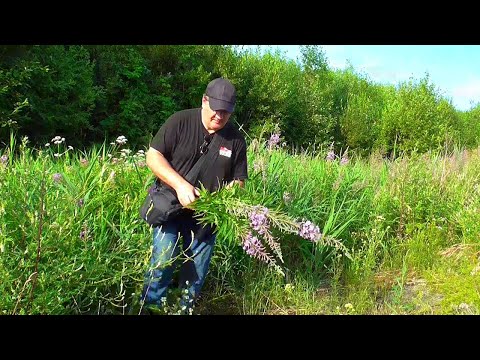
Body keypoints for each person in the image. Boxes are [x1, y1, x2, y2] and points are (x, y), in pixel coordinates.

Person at [140, 78, 248, 314]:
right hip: (169, 207)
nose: (220, 116)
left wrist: (223, 199)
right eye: (216, 109)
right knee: (162, 262)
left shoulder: (236, 140)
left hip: (205, 217)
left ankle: (183, 310)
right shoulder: (180, 121)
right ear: (204, 101)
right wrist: (180, 186)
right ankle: (150, 308)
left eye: (226, 112)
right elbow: (153, 156)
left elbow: (239, 180)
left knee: (195, 273)